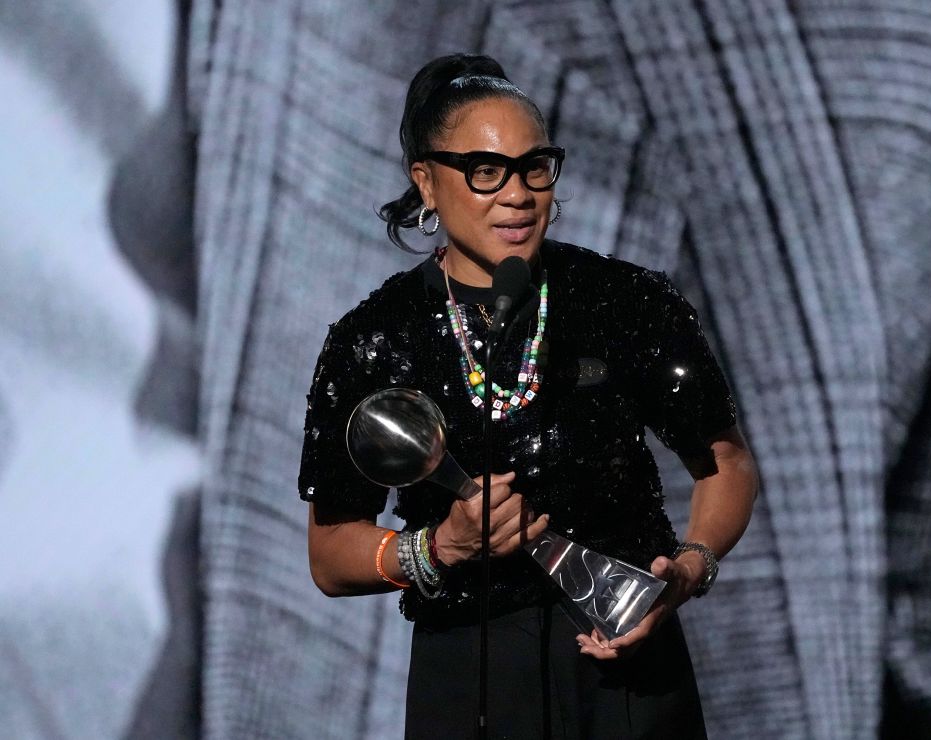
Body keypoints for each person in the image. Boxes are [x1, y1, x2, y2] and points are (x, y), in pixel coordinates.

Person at [299, 52, 759, 739]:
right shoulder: (375, 340)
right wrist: (437, 547)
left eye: (534, 167)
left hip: (627, 667)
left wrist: (688, 570)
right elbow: (331, 556)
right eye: (485, 172)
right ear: (426, 182)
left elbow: (727, 466)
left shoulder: (625, 302)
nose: (516, 194)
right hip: (469, 678)